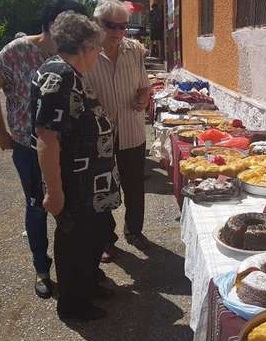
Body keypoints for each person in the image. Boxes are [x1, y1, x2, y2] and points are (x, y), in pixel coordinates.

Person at [31, 11, 121, 321]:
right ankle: (73, 305)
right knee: (74, 244)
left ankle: (87, 285)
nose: (98, 53)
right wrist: (53, 191)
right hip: (75, 185)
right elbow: (46, 137)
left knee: (92, 238)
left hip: (90, 185)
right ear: (83, 46)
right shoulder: (60, 76)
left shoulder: (72, 74)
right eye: (96, 47)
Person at [0, 0, 87, 299]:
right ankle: (42, 269)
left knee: (73, 206)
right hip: (28, 146)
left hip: (69, 148)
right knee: (37, 208)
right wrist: (3, 134)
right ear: (53, 26)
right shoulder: (15, 52)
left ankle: (80, 269)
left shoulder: (75, 53)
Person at [87, 0, 151, 262]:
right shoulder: (86, 51)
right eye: (110, 26)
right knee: (102, 189)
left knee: (134, 186)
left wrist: (143, 98)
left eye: (122, 26)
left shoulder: (134, 50)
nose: (117, 32)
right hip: (98, 136)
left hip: (132, 131)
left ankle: (134, 231)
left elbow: (144, 85)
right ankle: (106, 239)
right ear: (96, 23)